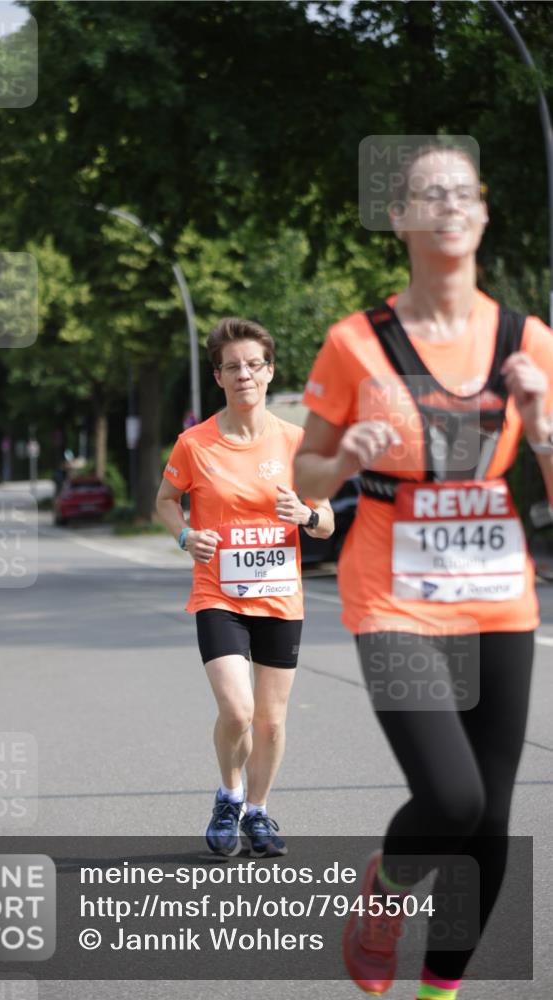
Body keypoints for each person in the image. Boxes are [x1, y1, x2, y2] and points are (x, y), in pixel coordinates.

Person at [295, 143, 553, 999]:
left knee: (492, 819)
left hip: (494, 599)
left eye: (462, 191)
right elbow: (303, 476)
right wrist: (340, 464)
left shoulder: (527, 342)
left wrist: (540, 426)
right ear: (398, 219)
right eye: (425, 193)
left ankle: (437, 992)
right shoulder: (354, 342)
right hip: (390, 593)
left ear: (481, 214)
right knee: (450, 800)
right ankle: (387, 890)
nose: (447, 203)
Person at [157, 317, 334, 858]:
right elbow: (165, 501)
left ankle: (258, 811)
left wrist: (304, 513)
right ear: (218, 377)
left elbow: (327, 521)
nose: (244, 375)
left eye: (253, 365)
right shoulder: (195, 443)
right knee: (237, 711)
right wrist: (187, 535)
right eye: (232, 367)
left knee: (271, 719)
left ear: (269, 370)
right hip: (219, 595)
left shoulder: (296, 441)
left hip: (280, 595)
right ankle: (229, 796)